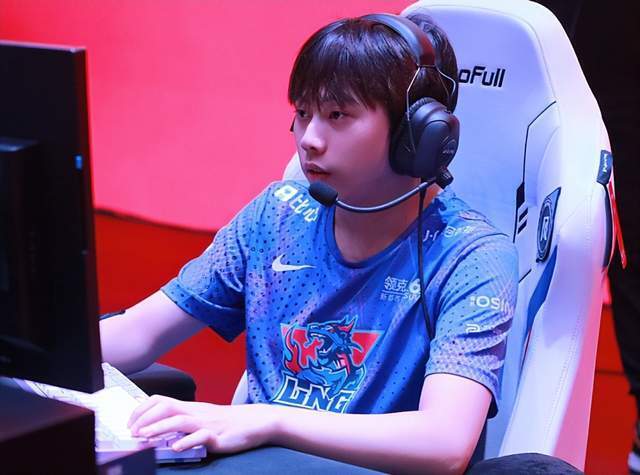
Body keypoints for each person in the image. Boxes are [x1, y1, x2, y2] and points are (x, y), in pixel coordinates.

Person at [101, 12, 520, 474]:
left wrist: (270, 421)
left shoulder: (471, 255)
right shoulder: (277, 215)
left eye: (337, 115)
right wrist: (41, 355)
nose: (310, 140)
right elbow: (138, 333)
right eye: (303, 113)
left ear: (415, 135)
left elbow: (444, 443)